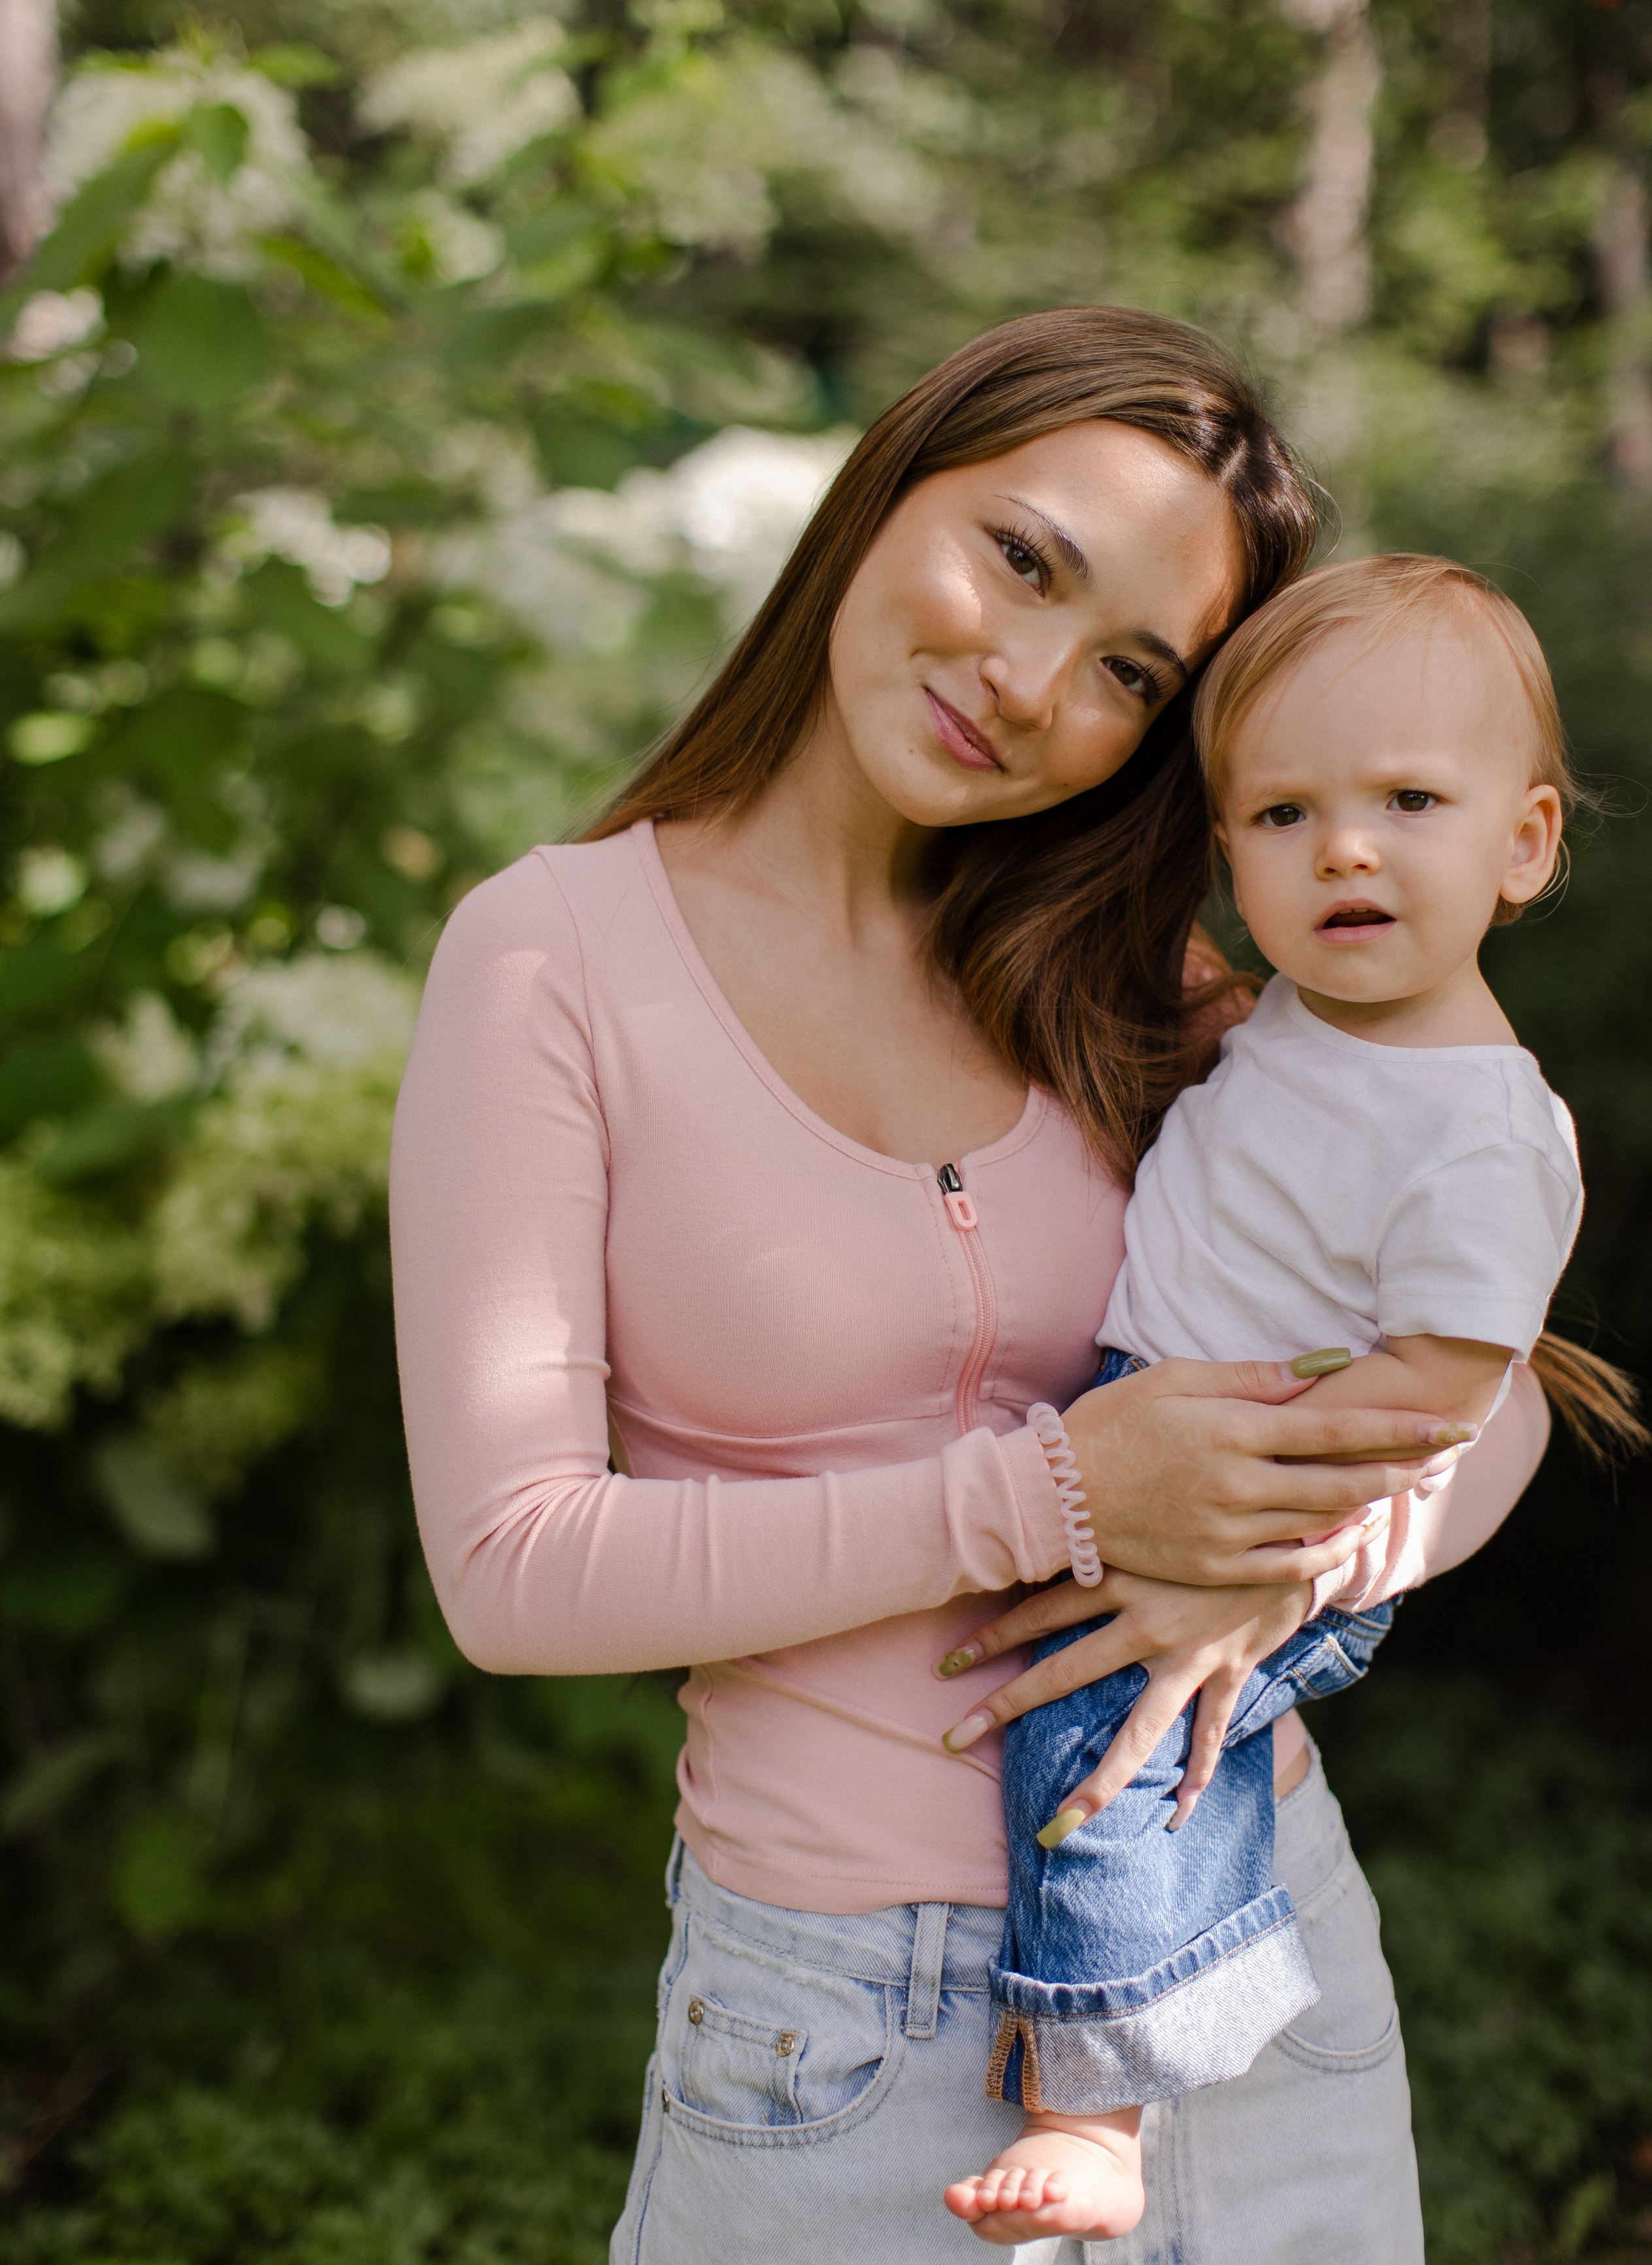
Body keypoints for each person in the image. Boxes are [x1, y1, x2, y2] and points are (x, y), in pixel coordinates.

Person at [389, 310, 1552, 2265]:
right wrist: (1062, 1497)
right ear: (892, 475)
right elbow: (515, 1571)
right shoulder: (555, 957)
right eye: (1019, 557)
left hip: (1251, 1964)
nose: (1024, 684)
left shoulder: (1155, 993)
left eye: (1125, 671)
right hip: (840, 2030)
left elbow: (1505, 1388)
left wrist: (1298, 1559)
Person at [942, 554, 1642, 2247]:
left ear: (1525, 843)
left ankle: (1099, 2109)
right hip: (1191, 1430)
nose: (1343, 847)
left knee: (1109, 1739)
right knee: (1127, 1728)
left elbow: (1453, 1379)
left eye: (1411, 799)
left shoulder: (1479, 1122)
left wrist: (1262, 1541)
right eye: (1280, 815)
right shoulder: (1299, 1028)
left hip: (1286, 1489)